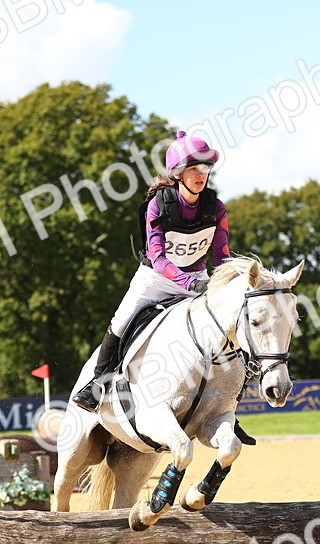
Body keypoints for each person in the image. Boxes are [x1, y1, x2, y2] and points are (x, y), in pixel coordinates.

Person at [72, 131, 255, 445]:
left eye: (205, 170)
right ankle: (98, 383)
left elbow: (221, 254)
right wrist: (188, 282)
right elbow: (157, 257)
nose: (201, 176)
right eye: (194, 170)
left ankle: (229, 404)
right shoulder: (158, 205)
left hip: (198, 279)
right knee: (122, 320)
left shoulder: (216, 207)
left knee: (229, 326)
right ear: (179, 174)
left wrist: (222, 284)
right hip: (155, 280)